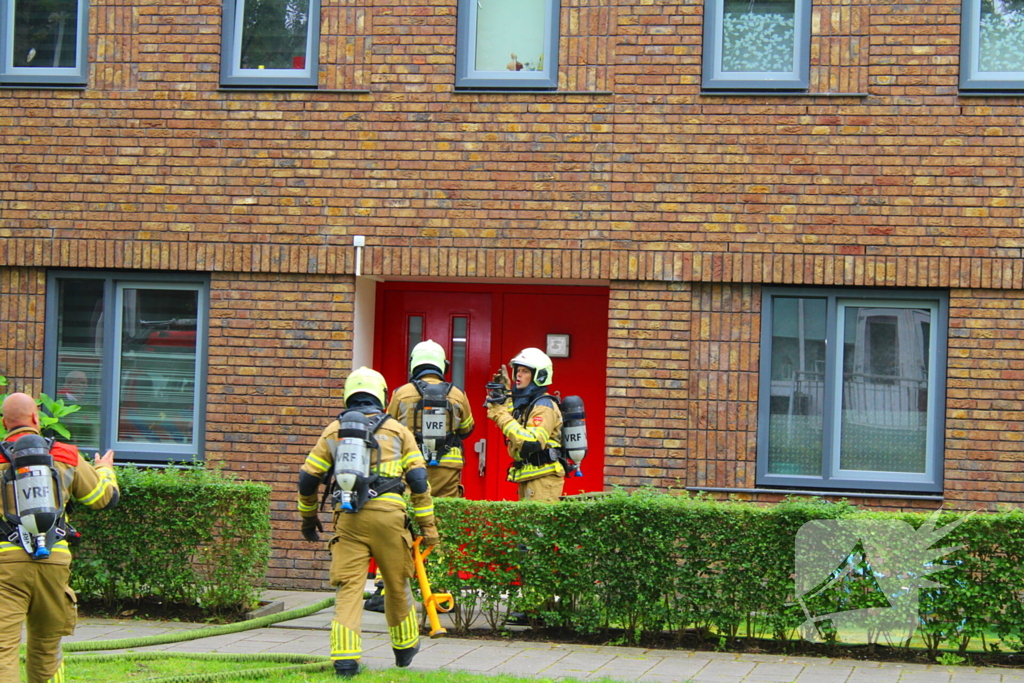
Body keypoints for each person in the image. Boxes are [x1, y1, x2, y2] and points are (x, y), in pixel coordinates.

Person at [296, 367, 439, 678]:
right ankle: (404, 651)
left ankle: (345, 661)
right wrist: (429, 530)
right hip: (390, 518)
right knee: (396, 584)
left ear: (349, 395)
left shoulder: (335, 430)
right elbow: (418, 481)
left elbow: (307, 480)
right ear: (383, 396)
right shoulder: (400, 432)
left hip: (350, 518)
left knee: (349, 588)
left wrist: (308, 519)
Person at [0, 392, 120, 683]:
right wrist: (105, 469)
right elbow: (103, 498)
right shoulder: (65, 454)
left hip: (6, 564)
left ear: (5, 423)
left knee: (3, 649)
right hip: (54, 561)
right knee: (47, 647)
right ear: (36, 419)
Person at [386, 340, 475, 498]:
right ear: (443, 365)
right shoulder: (457, 394)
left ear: (413, 364)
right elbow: (467, 429)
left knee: (412, 511)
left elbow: (389, 429)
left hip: (411, 464)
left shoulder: (401, 393)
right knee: (445, 515)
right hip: (448, 466)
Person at [486, 347, 565, 502]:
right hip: (531, 477)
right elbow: (514, 421)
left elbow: (531, 442)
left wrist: (499, 414)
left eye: (525, 371)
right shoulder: (528, 404)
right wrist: (506, 394)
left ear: (539, 376)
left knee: (538, 526)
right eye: (518, 370)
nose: (518, 375)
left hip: (544, 480)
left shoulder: (543, 406)